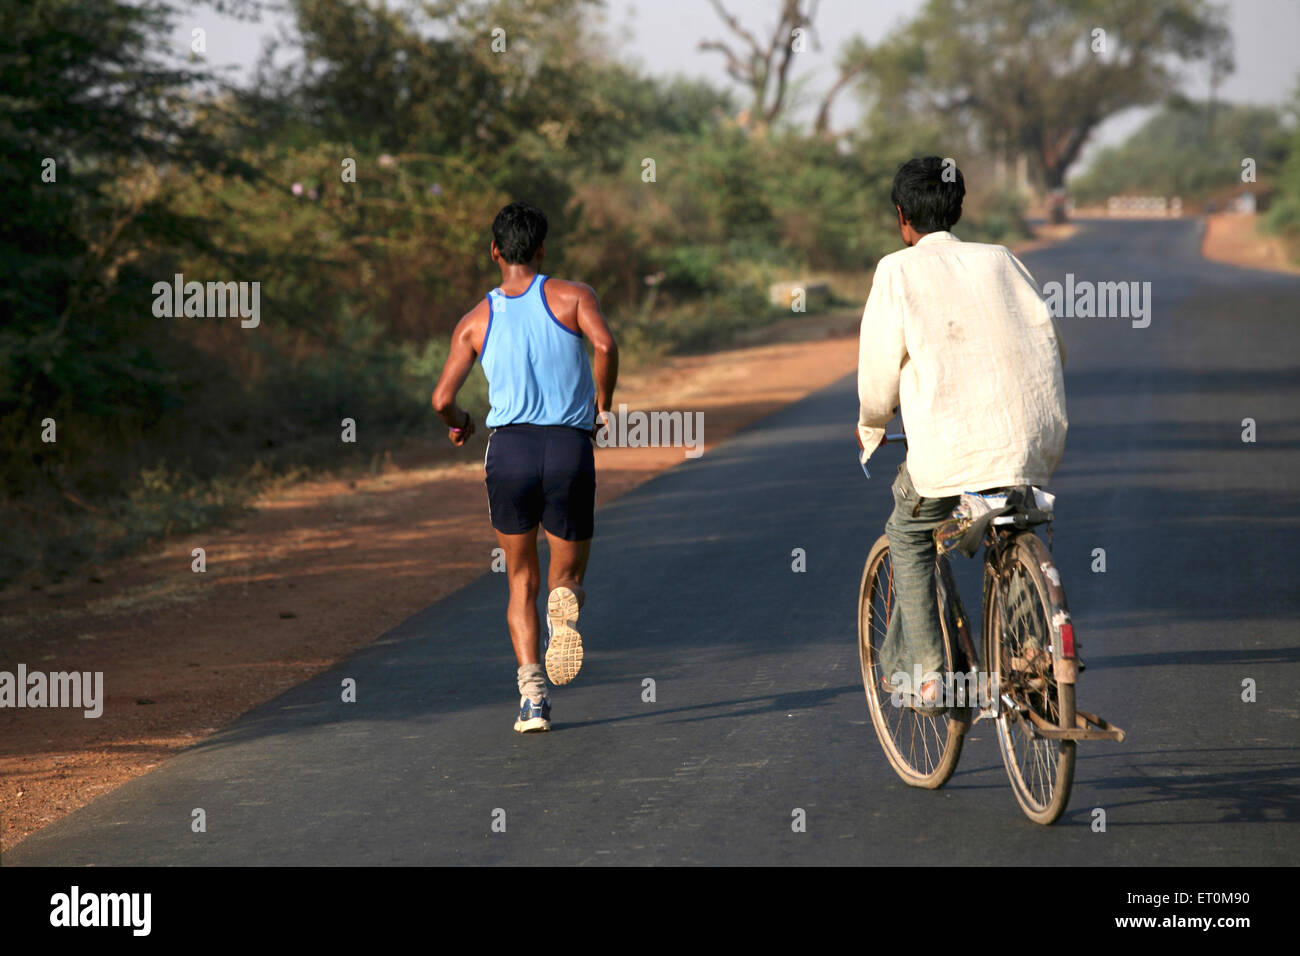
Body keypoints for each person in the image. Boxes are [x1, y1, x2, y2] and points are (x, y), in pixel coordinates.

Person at [856, 157, 1067, 711]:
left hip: (951, 457)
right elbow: (1052, 345)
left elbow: (878, 378)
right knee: (1001, 514)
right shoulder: (1002, 260)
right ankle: (1032, 655)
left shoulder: (897, 271)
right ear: (960, 208)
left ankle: (927, 676)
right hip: (1029, 443)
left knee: (909, 531)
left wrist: (873, 426)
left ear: (903, 218)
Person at [432, 201, 618, 732]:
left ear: (494, 252)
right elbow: (604, 344)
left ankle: (532, 698)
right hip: (568, 448)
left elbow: (441, 397)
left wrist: (460, 421)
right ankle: (567, 611)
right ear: (541, 249)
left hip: (509, 452)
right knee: (566, 576)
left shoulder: (476, 319)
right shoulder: (574, 296)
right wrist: (604, 405)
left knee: (520, 581)